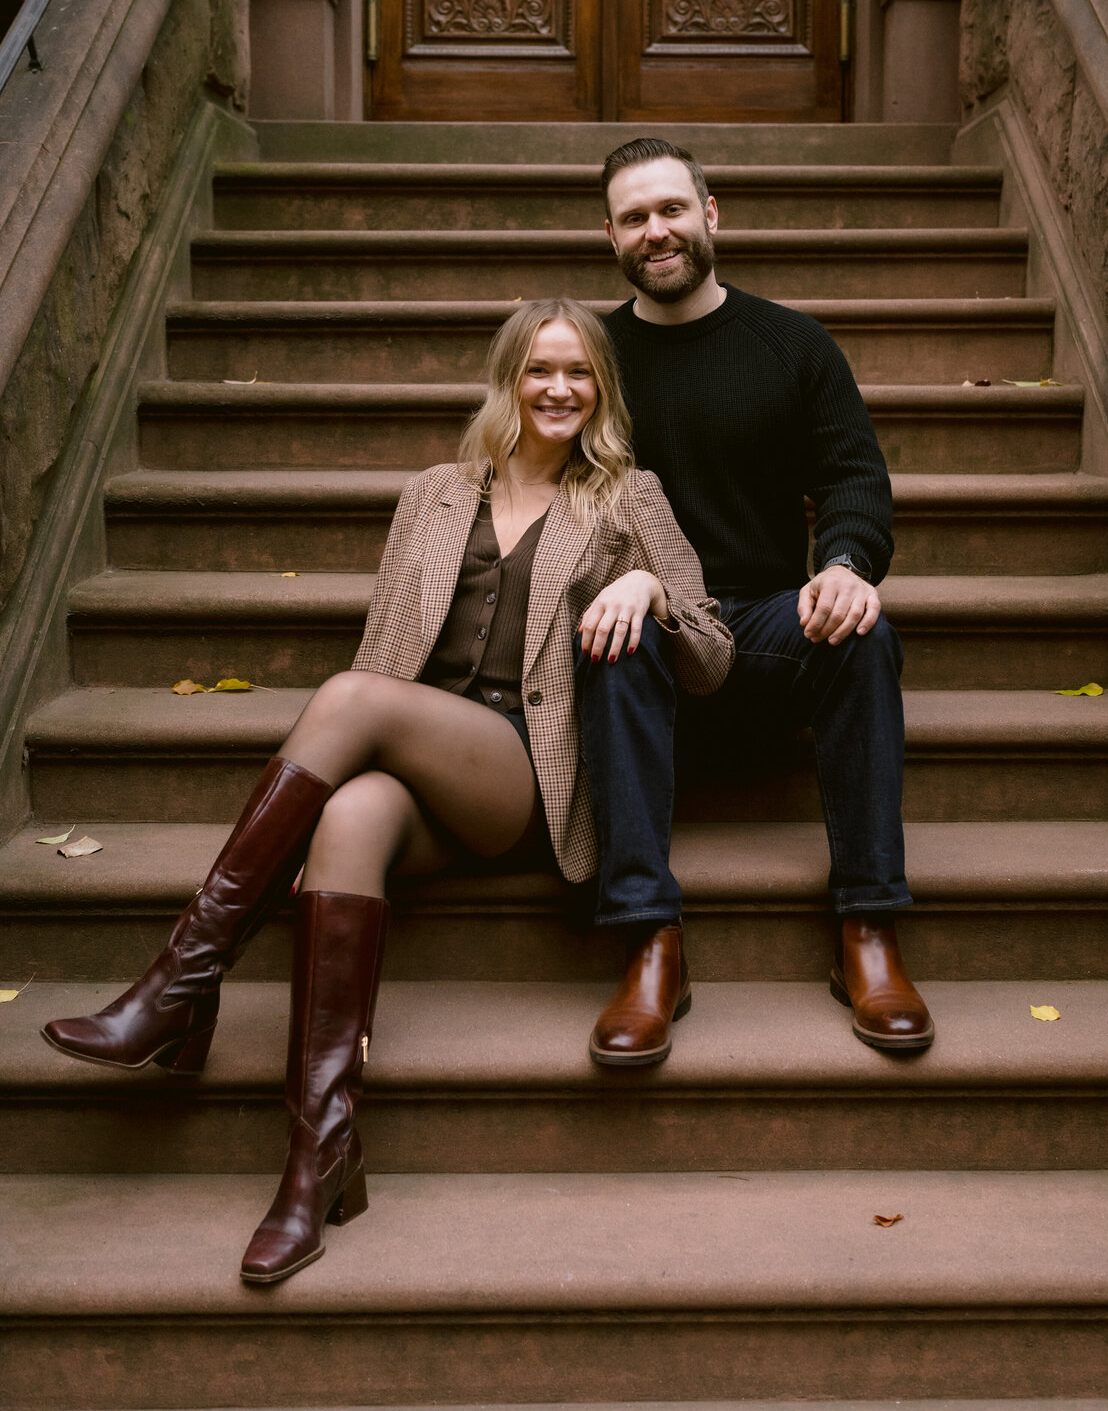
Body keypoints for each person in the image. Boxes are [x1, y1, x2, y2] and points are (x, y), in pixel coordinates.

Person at [42, 299, 732, 1284]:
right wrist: (352, 757)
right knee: (351, 813)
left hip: (525, 777)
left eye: (580, 373)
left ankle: (181, 986)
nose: (558, 389)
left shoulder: (627, 497)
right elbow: (386, 652)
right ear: (507, 382)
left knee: (351, 698)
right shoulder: (436, 493)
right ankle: (316, 1159)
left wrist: (651, 593)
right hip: (418, 757)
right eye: (539, 370)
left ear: (603, 391)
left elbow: (711, 656)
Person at [595, 136, 934, 1057]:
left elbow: (855, 479)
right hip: (651, 624)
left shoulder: (792, 344)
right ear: (611, 236)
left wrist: (848, 566)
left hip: (765, 623)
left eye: (671, 209)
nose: (655, 231)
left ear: (712, 215)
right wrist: (624, 577)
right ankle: (647, 939)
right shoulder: (588, 357)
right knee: (610, 641)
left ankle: (867, 928)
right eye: (634, 217)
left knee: (863, 633)